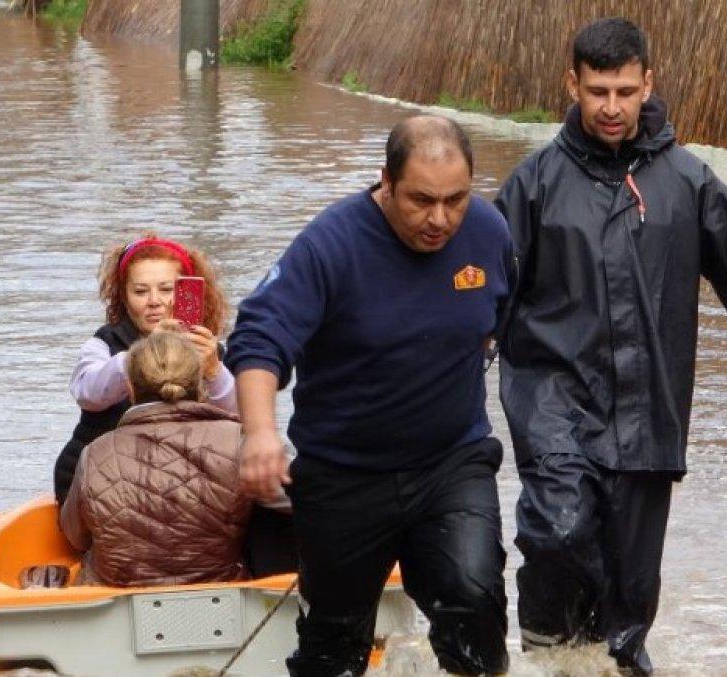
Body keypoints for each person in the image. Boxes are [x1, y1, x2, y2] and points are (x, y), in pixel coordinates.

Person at [494, 17, 727, 675]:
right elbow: (480, 301)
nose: (613, 107)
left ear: (648, 82)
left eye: (626, 90)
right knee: (558, 529)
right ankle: (544, 657)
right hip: (553, 404)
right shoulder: (533, 185)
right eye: (598, 91)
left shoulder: (687, 182)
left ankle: (616, 660)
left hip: (649, 416)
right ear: (572, 84)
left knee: (629, 601)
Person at [228, 115, 512, 676]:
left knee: (475, 598)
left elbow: (503, 318)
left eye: (455, 200)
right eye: (421, 200)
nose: (439, 219)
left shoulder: (488, 232)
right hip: (344, 479)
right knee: (333, 651)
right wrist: (260, 432)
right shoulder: (329, 245)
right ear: (385, 180)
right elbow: (260, 337)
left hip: (451, 463)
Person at [59, 329, 252, 586]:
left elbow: (76, 537)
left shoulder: (93, 452)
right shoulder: (240, 441)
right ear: (199, 381)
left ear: (129, 385)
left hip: (117, 596)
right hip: (221, 587)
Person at [53, 233, 235, 503]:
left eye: (166, 289)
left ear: (189, 292)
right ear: (124, 299)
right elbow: (88, 393)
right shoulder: (104, 344)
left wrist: (213, 371)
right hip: (101, 481)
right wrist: (142, 354)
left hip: (181, 480)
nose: (154, 301)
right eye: (140, 291)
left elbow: (241, 419)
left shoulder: (211, 350)